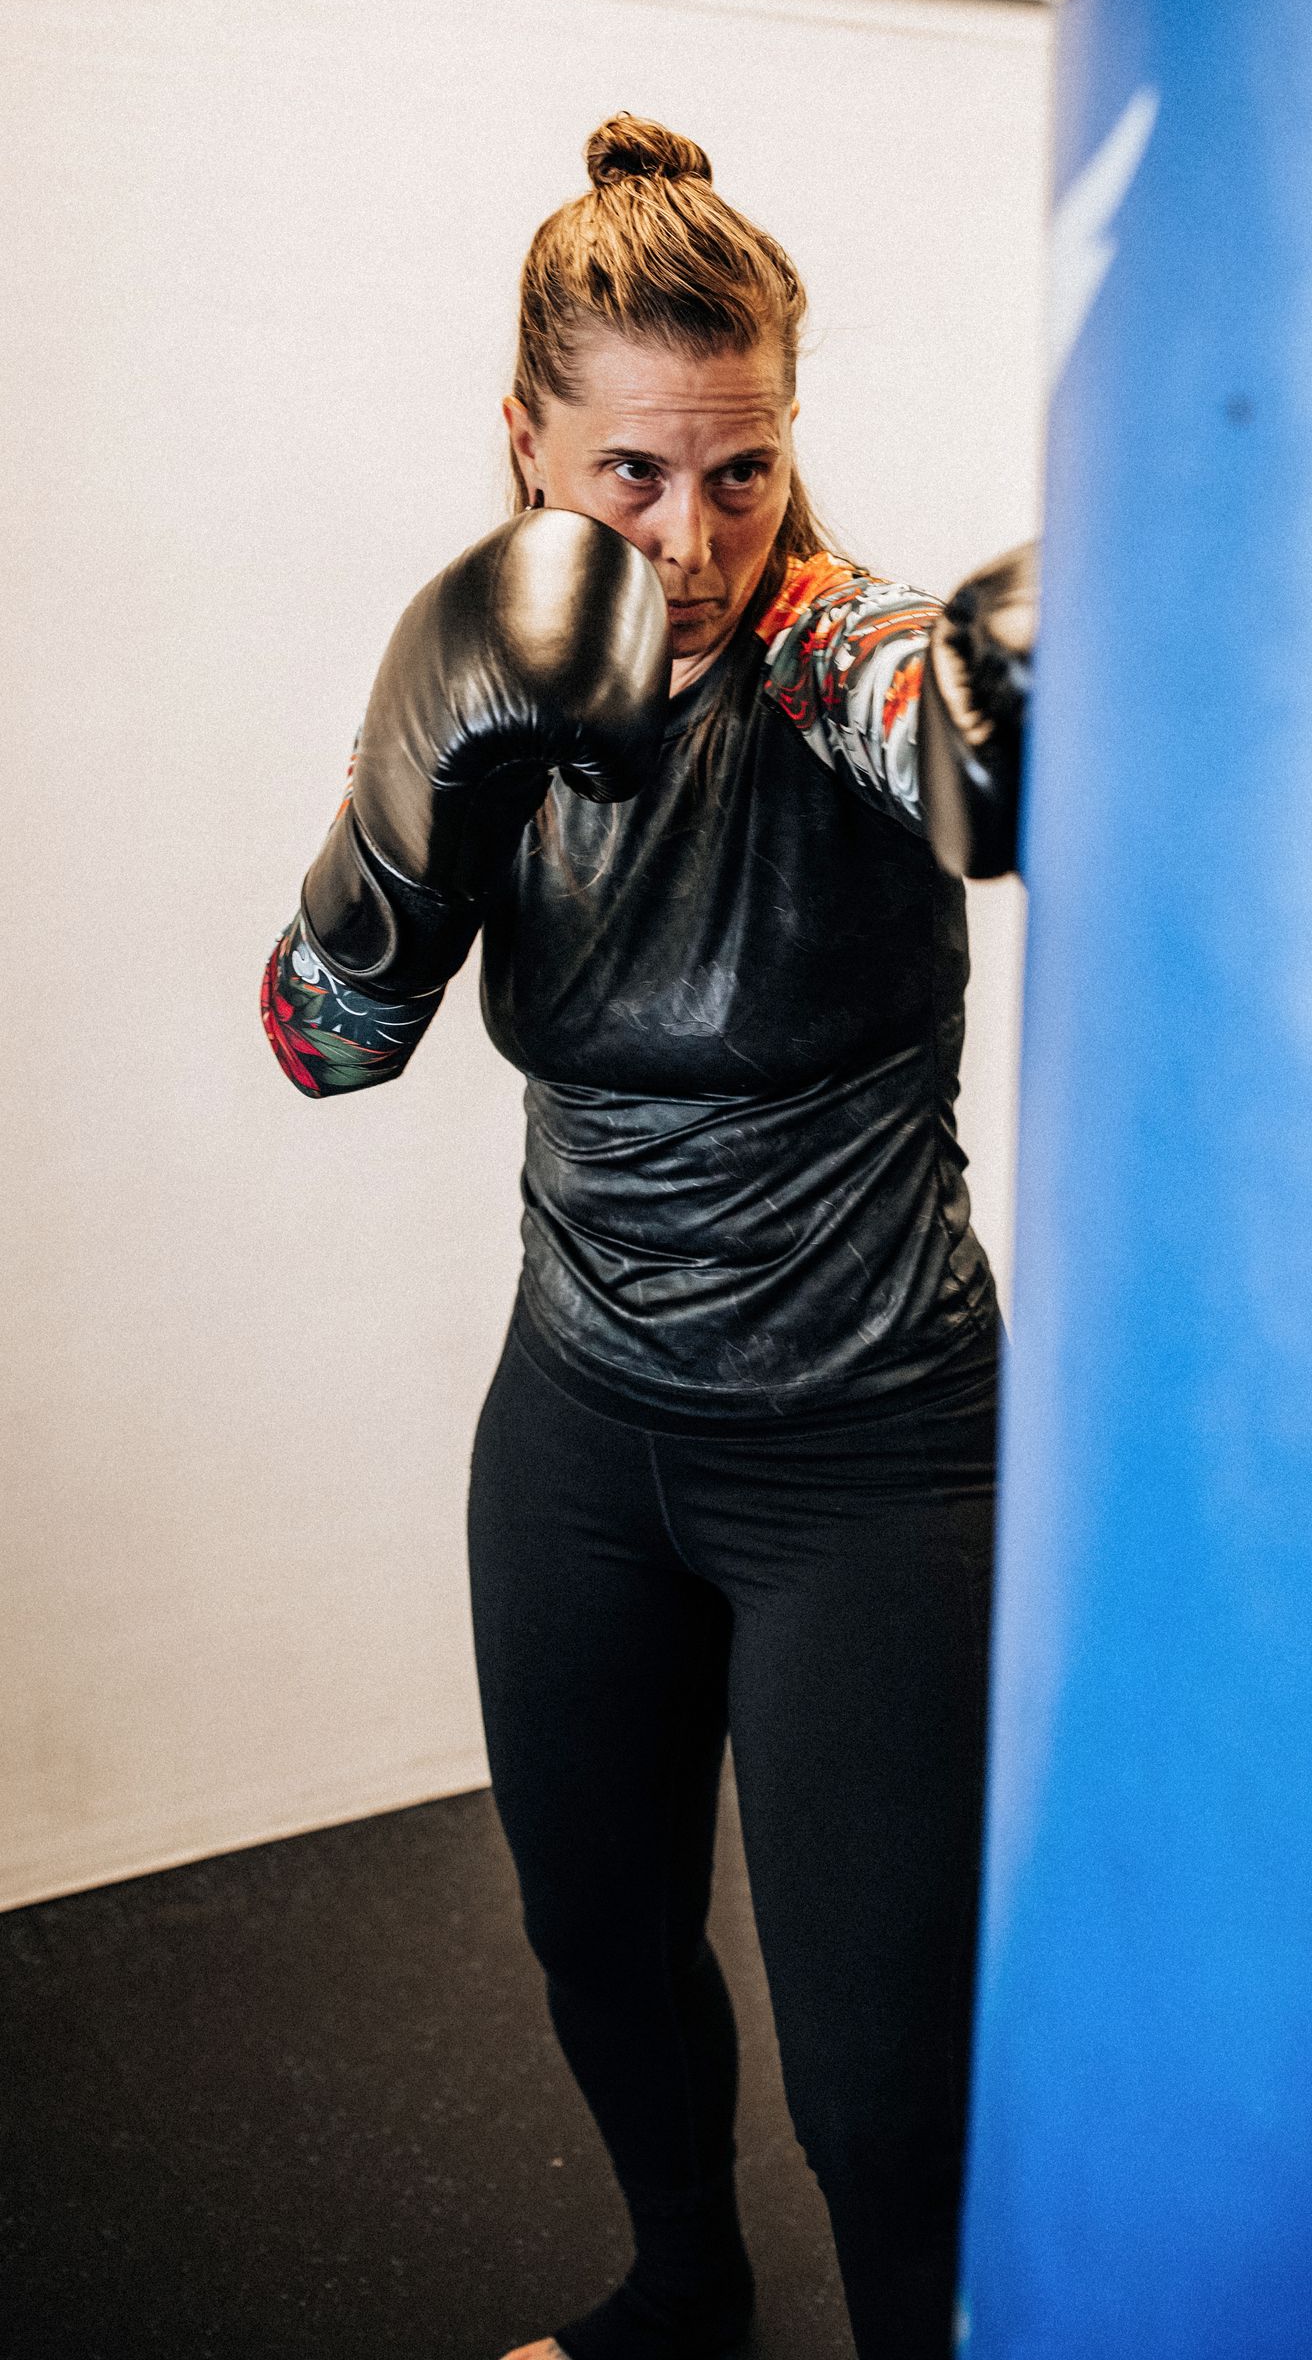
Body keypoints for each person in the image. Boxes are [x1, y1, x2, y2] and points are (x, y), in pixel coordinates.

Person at [260, 115, 1031, 2360]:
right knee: (597, 1938)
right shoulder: (483, 670)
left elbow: (946, 726)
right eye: (630, 479)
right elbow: (326, 1052)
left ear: (792, 445)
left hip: (871, 1461)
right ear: (525, 441)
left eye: (745, 474)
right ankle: (682, 2298)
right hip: (583, 1429)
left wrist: (1038, 704)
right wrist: (413, 803)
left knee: (886, 2077)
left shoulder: (837, 654)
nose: (694, 544)